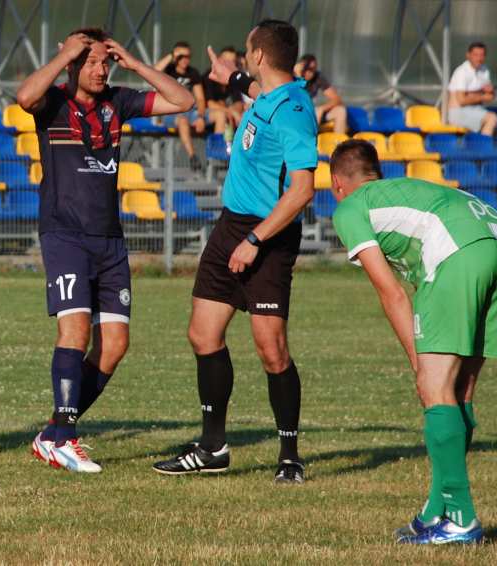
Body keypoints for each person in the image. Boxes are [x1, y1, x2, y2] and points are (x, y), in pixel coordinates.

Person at [16, 28, 193, 473]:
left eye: (104, 62)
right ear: (73, 62)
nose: (99, 70)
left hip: (110, 240)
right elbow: (23, 96)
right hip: (65, 235)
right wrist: (65, 57)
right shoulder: (53, 103)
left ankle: (55, 431)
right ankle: (68, 437)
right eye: (90, 61)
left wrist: (136, 64)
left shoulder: (119, 100)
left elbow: (183, 101)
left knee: (114, 346)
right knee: (75, 333)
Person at [328, 139, 497, 545]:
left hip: (458, 252)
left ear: (337, 184)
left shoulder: (350, 207)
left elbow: (392, 292)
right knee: (459, 389)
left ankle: (461, 518)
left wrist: (418, 359)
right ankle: (438, 508)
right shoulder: (404, 189)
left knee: (433, 386)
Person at [152, 20, 317, 484]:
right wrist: (229, 76)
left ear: (261, 56)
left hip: (267, 236)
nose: (245, 59)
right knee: (203, 334)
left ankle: (289, 456)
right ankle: (212, 446)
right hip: (230, 227)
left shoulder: (293, 110)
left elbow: (302, 190)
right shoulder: (266, 95)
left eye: (247, 53)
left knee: (272, 351)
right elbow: (250, 88)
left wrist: (255, 241)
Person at [155, 41, 208, 170]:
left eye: (188, 56)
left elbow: (200, 98)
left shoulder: (193, 73)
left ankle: (219, 157)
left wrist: (200, 116)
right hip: (171, 113)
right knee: (183, 120)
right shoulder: (168, 70)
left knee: (219, 115)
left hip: (191, 111)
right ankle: (193, 157)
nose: (185, 59)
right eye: (181, 56)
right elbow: (153, 71)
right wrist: (171, 55)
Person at [447, 42, 497, 135]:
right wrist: (482, 96)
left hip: (478, 110)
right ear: (468, 55)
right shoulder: (461, 72)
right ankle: (483, 147)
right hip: (457, 113)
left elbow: (490, 96)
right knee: (491, 118)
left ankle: (496, 148)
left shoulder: (484, 70)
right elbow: (461, 100)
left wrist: (473, 95)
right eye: (476, 55)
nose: (479, 58)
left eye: (482, 55)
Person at [293, 53, 347, 133]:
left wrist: (322, 108)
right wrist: (298, 75)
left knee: (340, 111)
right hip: (294, 112)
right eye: (306, 68)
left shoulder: (317, 77)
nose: (309, 72)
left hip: (311, 113)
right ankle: (308, 140)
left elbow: (337, 99)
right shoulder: (291, 77)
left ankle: (339, 143)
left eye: (313, 69)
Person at [202, 46, 245, 137]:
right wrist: (231, 112)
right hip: (203, 114)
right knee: (222, 115)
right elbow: (210, 104)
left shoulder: (233, 77)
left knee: (247, 113)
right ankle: (220, 148)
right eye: (227, 61)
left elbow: (239, 103)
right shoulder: (209, 76)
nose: (230, 64)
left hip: (226, 112)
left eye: (233, 61)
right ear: (219, 60)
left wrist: (234, 111)